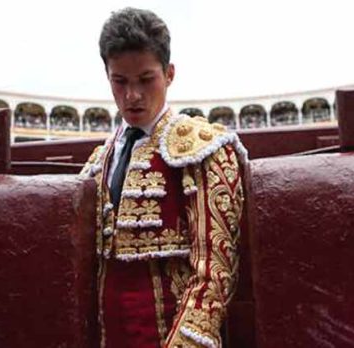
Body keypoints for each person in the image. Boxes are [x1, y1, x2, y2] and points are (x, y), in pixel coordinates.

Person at [80, 7, 247, 348]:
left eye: (146, 79)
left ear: (169, 74)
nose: (133, 96)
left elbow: (214, 271)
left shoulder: (201, 147)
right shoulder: (100, 160)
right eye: (120, 81)